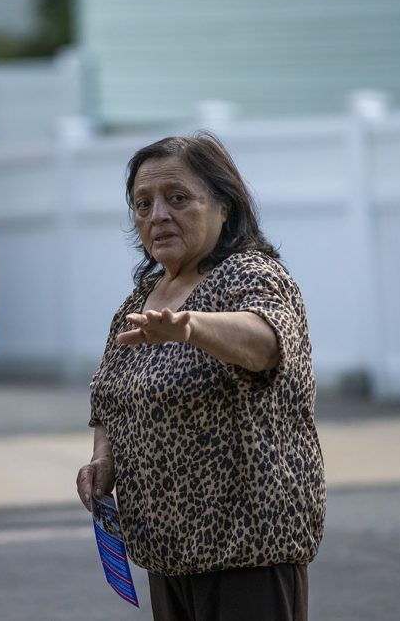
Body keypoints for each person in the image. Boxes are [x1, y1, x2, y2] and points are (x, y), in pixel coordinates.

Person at [76, 132, 325, 621]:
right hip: (169, 556)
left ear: (224, 206)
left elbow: (266, 342)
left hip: (249, 549)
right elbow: (107, 397)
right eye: (142, 204)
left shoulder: (252, 275)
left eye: (178, 198)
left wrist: (190, 327)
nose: (157, 215)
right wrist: (102, 458)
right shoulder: (139, 299)